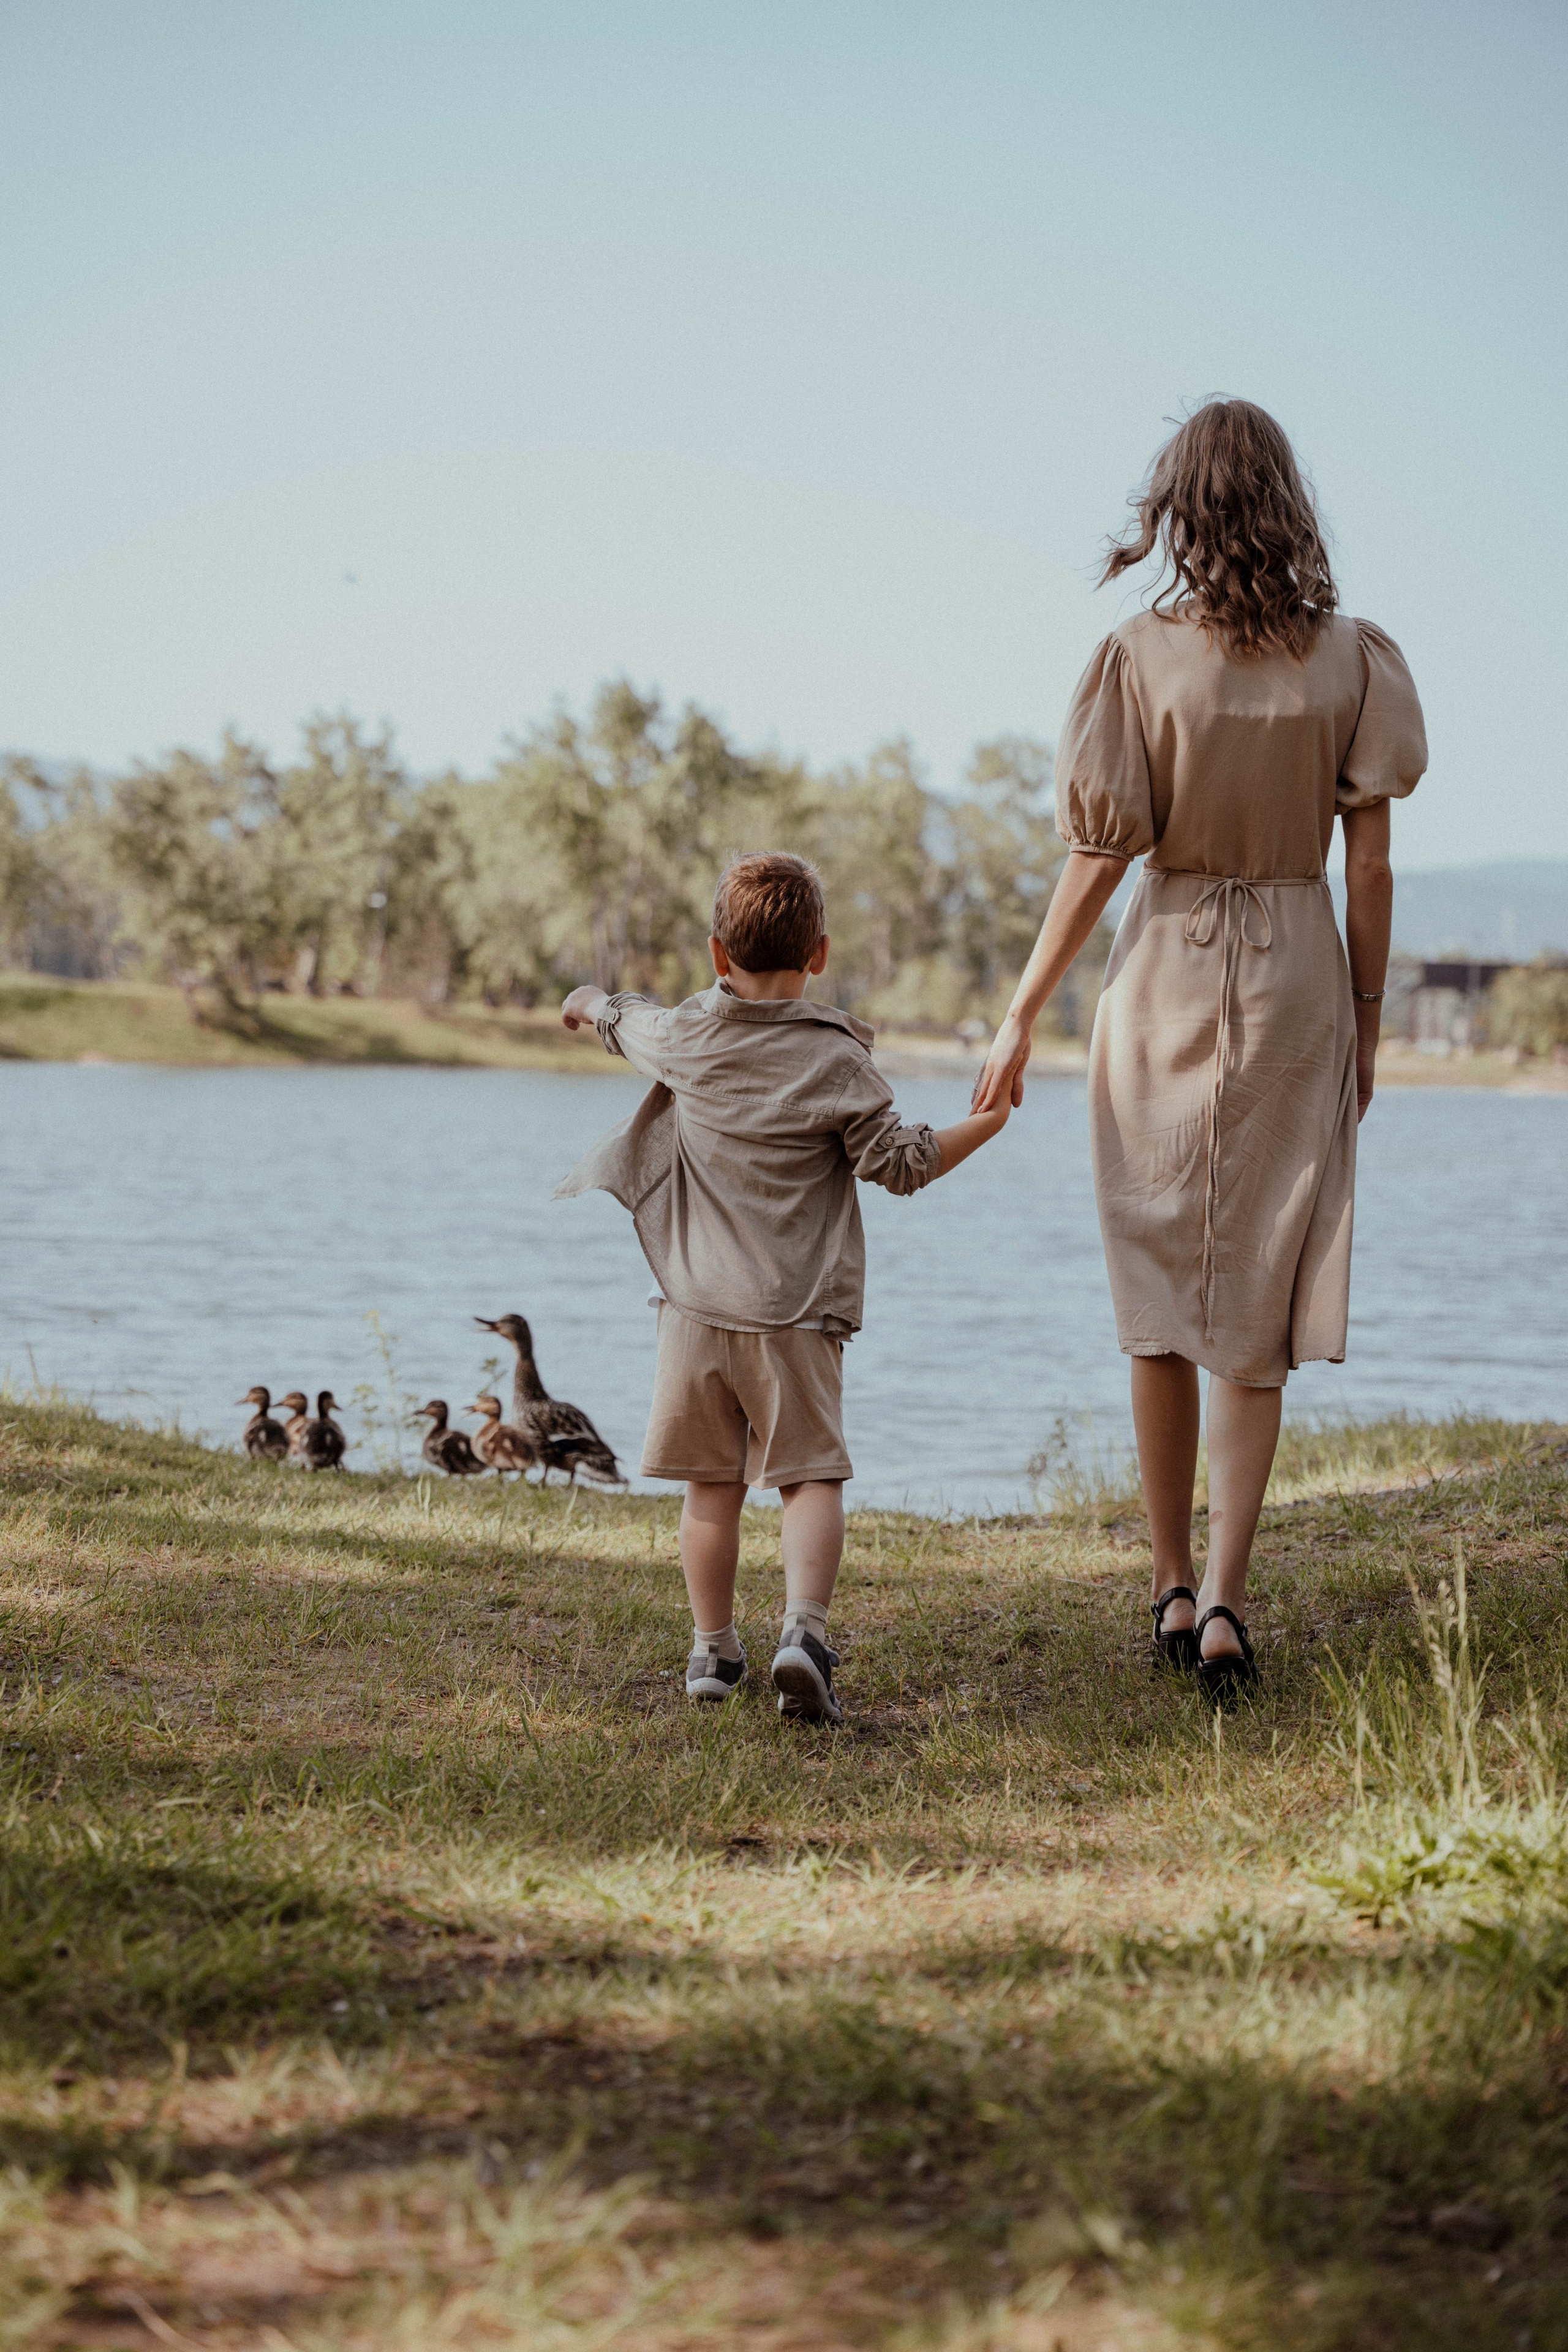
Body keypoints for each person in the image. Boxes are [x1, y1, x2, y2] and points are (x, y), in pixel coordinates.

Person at [971, 398, 1427, 1698]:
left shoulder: (1134, 658)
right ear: (1285, 500)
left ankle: (1167, 1581)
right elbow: (1372, 862)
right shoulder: (1352, 657)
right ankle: (1226, 1597)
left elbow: (1100, 853)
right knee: (1255, 1306)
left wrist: (1019, 1009)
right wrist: (1366, 1016)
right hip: (1294, 974)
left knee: (1160, 1294)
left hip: (1163, 971)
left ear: (1176, 505)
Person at [557, 850, 1011, 1723]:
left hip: (693, 1316)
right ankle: (802, 1635)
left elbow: (627, 1022)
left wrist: (586, 1003)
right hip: (795, 1318)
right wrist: (988, 1120)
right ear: (821, 955)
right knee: (808, 1480)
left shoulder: (689, 1034)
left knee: (710, 1490)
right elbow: (903, 1165)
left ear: (718, 956)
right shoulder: (837, 1065)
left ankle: (711, 1649)